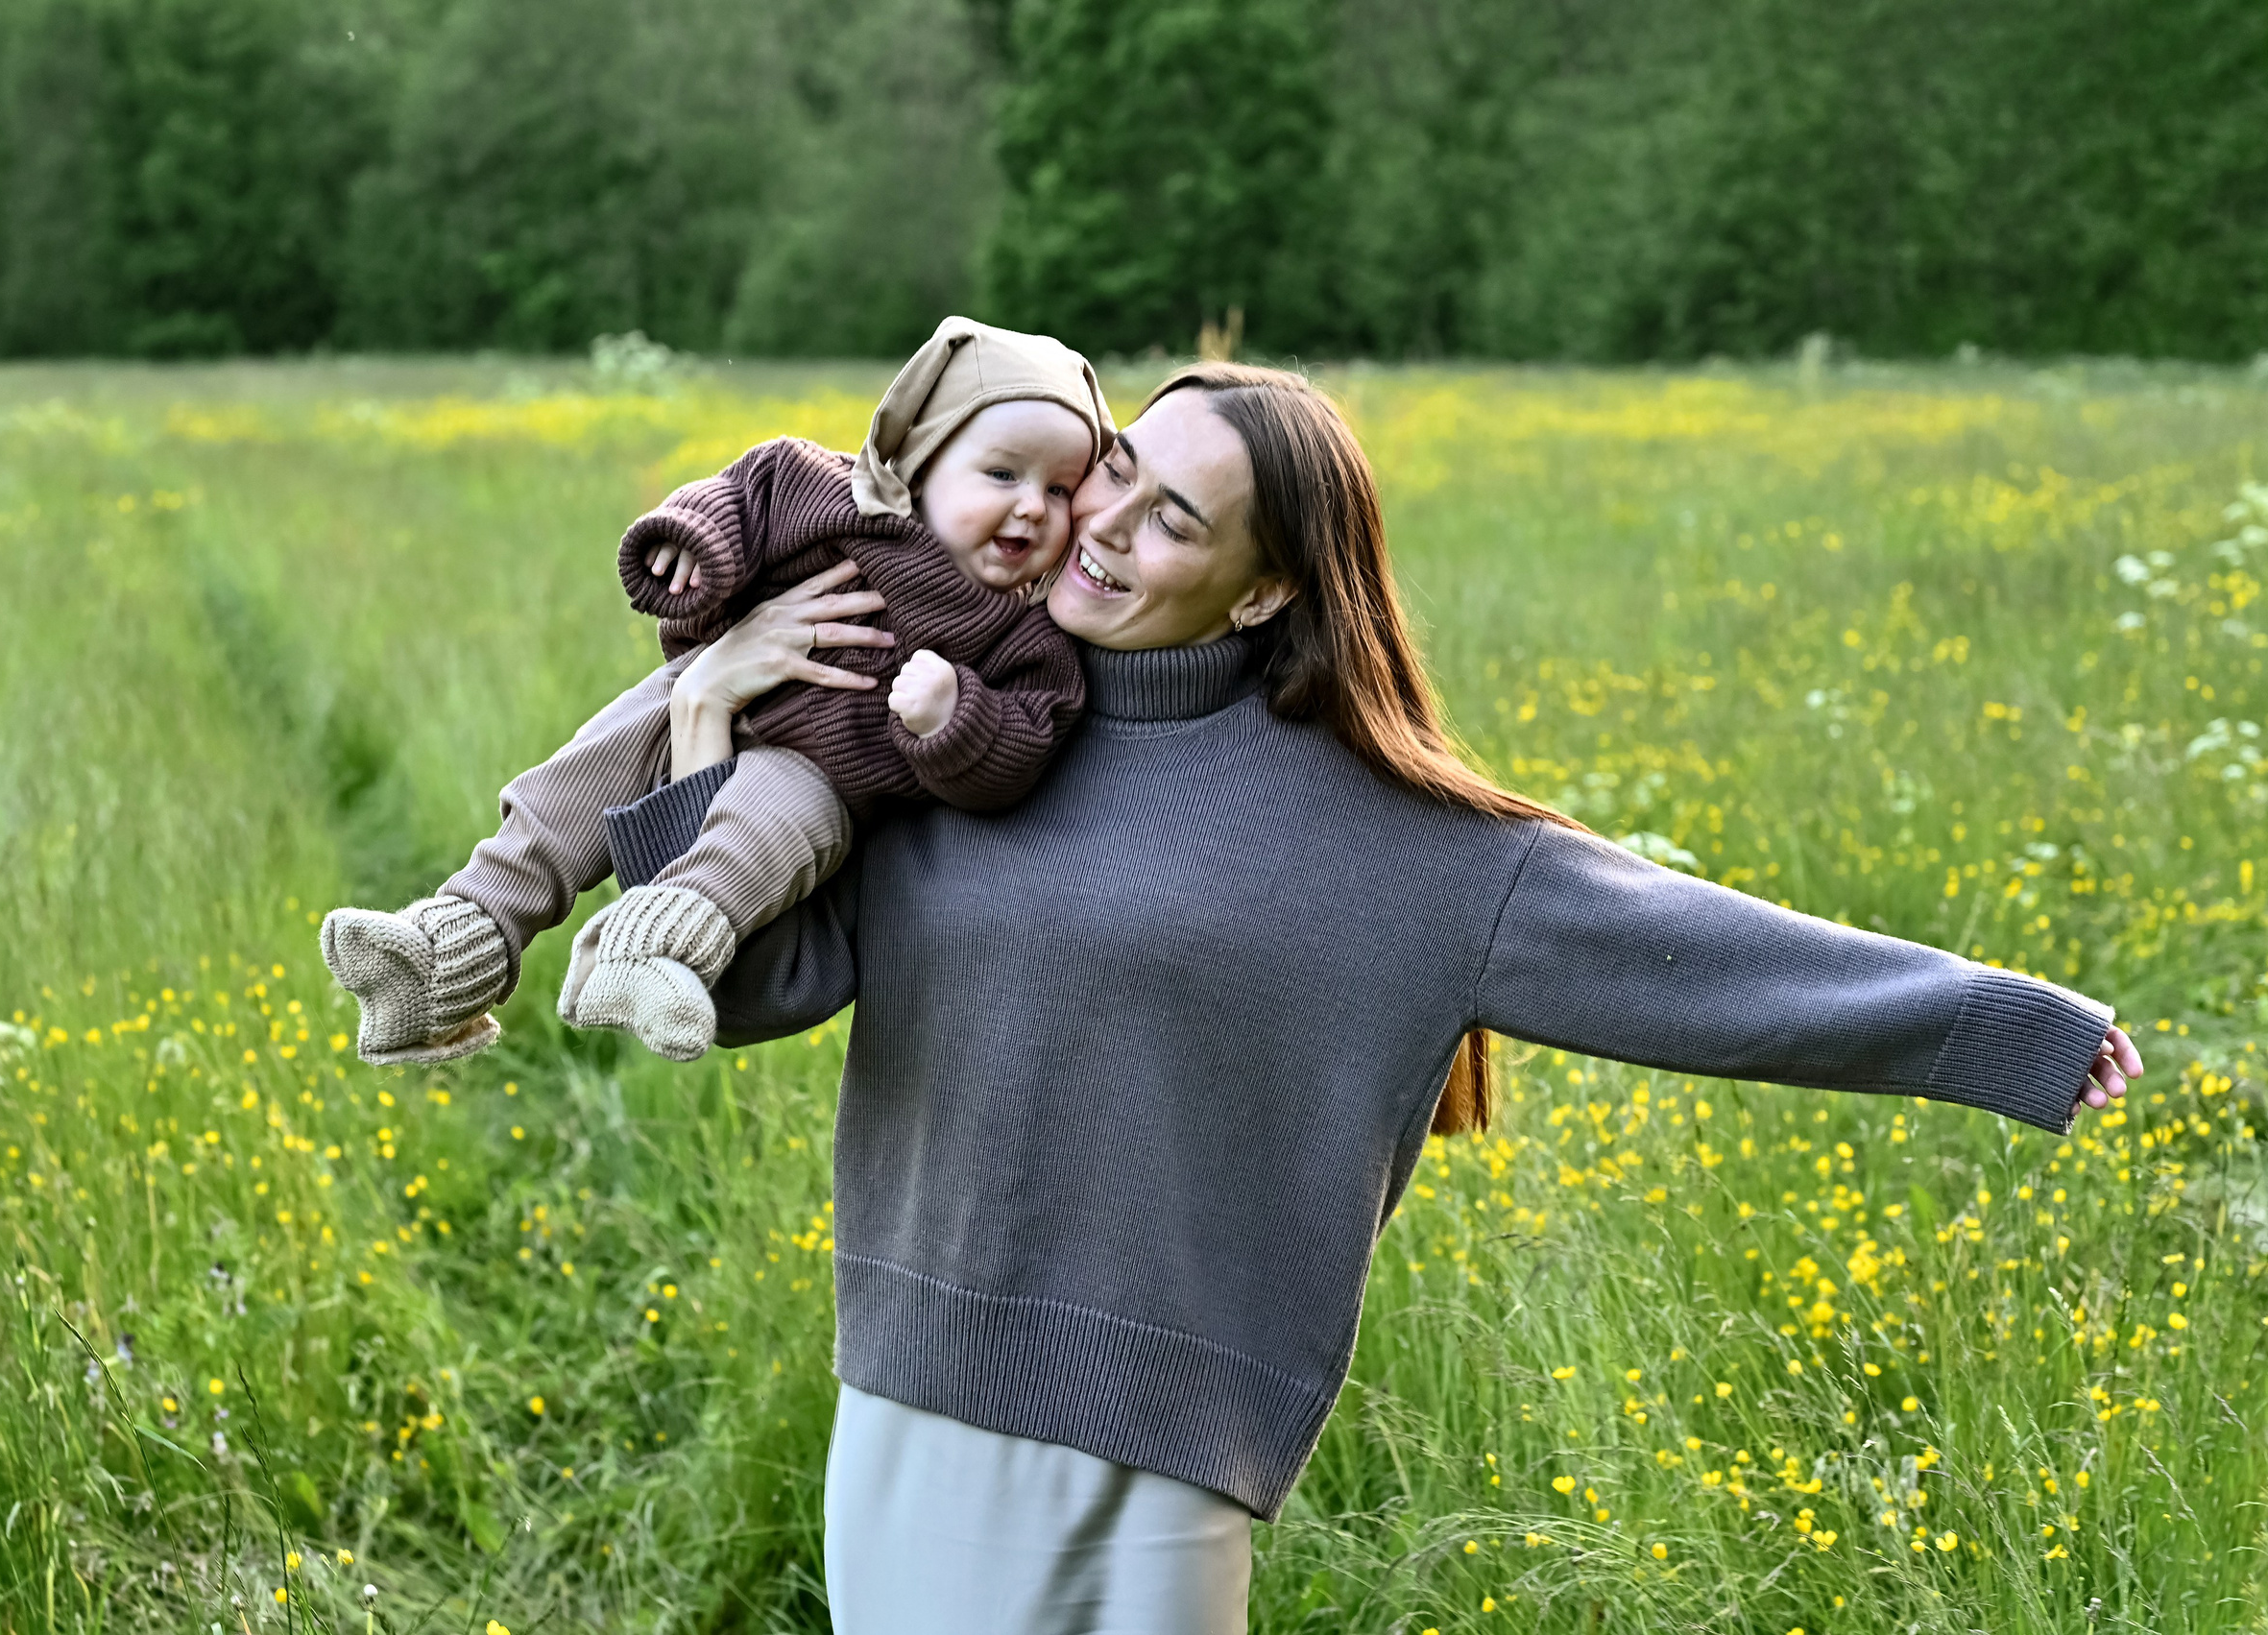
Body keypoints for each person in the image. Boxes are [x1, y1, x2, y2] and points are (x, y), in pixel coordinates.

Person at [606, 361, 2144, 1633]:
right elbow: (756, 988)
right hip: (909, 1409)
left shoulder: (1382, 834)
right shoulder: (948, 724)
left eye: (1173, 517)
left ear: (1267, 584)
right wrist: (700, 711)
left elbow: (1696, 953)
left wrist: (2000, 1024)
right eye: (1117, 468)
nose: (1104, 527)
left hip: (1159, 1455)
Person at [316, 318, 1110, 1064]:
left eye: (1062, 488)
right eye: (1002, 473)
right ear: (922, 455)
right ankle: (459, 938)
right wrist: (689, 550)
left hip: (817, 771)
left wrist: (954, 718)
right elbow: (733, 498)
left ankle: (653, 945)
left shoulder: (1024, 636)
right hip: (685, 693)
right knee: (571, 784)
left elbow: (1021, 746)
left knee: (769, 832)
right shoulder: (820, 487)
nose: (1032, 506)